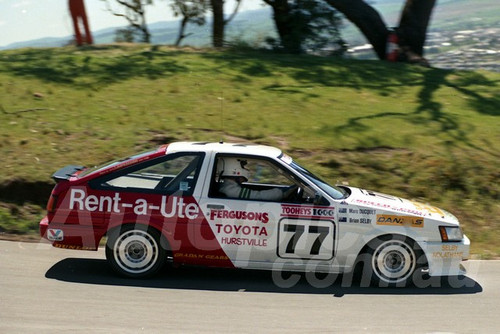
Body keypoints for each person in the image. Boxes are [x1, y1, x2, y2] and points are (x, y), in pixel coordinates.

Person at [217, 158, 298, 201]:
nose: (245, 169)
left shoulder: (227, 186)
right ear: (233, 168)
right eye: (243, 166)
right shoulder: (231, 190)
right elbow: (259, 196)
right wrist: (282, 193)